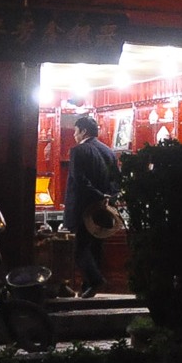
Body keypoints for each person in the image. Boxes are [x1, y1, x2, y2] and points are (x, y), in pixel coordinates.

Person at [65, 115, 120, 298]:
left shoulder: (78, 151)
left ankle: (94, 280)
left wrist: (97, 195)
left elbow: (79, 180)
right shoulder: (109, 152)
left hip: (83, 208)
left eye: (76, 131)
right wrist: (108, 197)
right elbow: (116, 180)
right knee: (96, 246)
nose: (74, 135)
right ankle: (88, 287)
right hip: (103, 208)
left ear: (84, 131)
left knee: (79, 248)